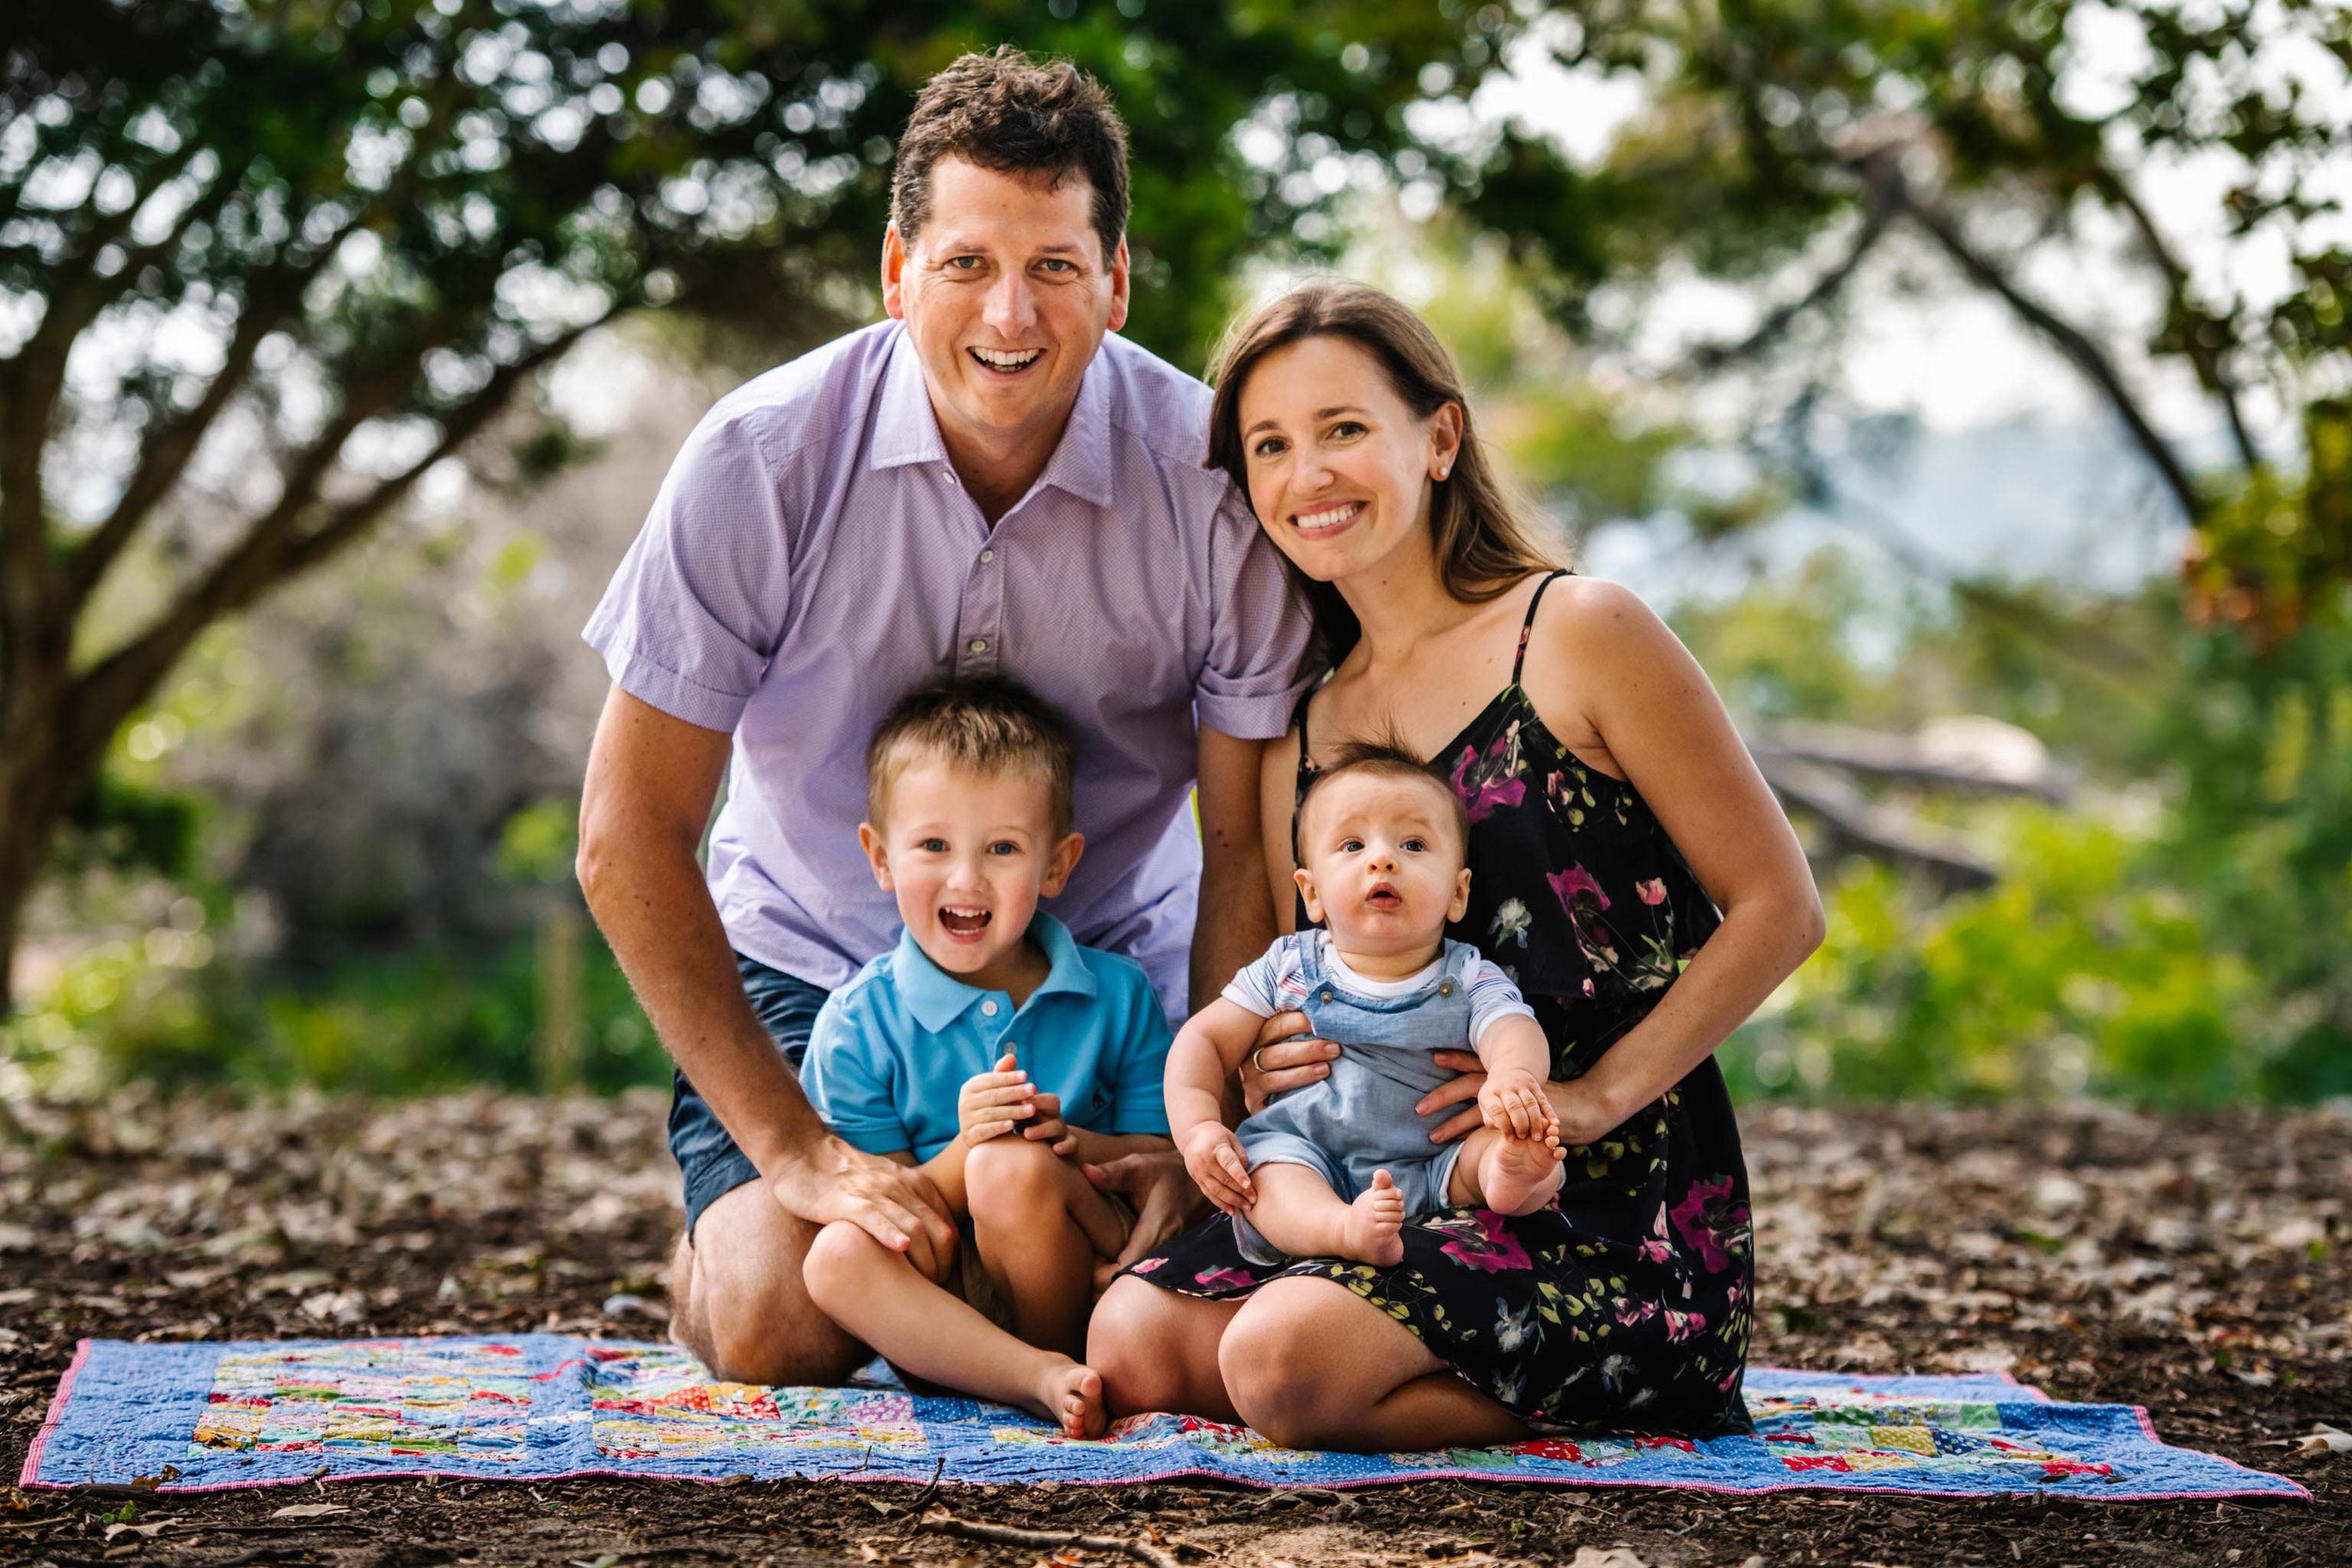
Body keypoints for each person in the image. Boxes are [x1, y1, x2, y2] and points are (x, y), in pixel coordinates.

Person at [577, 49, 1312, 1387]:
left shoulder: (1209, 484)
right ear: (897, 270)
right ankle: (725, 1239)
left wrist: (1203, 1125)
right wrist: (800, 1153)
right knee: (774, 1321)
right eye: (968, 262)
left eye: (1054, 267)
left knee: (1148, 1307)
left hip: (1105, 990)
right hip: (810, 968)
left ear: (1118, 279)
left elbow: (1249, 847)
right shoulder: (760, 459)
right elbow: (627, 834)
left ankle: (980, 1290)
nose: (1010, 313)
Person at [1088, 280, 1825, 1451]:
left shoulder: (1578, 631)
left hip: (1587, 1197)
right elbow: (1282, 958)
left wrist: (1591, 1099)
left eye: (1342, 430)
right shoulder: (1304, 723)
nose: (1305, 475)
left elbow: (1779, 909)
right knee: (1128, 1341)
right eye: (1269, 446)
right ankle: (1344, 1364)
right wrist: (1241, 1086)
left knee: (1278, 1362)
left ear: (1438, 437)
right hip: (1366, 1177)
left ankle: (1633, 1388)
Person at [797, 679, 1171, 1437]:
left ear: (1057, 865)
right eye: (933, 845)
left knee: (1012, 1168)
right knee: (834, 1256)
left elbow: (1157, 1158)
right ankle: (1029, 1376)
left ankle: (1065, 1357)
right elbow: (893, 1205)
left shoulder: (1117, 994)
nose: (965, 878)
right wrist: (970, 1144)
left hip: (1079, 1275)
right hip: (945, 1309)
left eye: (1002, 847)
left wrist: (1067, 1143)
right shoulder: (855, 1024)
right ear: (880, 856)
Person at [1165, 744, 1564, 1269]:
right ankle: (1340, 1229)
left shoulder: (1467, 972)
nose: (1382, 858)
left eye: (1414, 844)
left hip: (1435, 1160)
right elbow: (1204, 1039)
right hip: (1307, 1154)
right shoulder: (1287, 966)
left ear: (1458, 894)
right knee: (1265, 1178)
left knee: (1507, 1154)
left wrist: (1511, 1077)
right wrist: (1197, 1128)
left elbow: (1512, 1026)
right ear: (1311, 894)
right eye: (1353, 844)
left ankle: (1508, 1174)